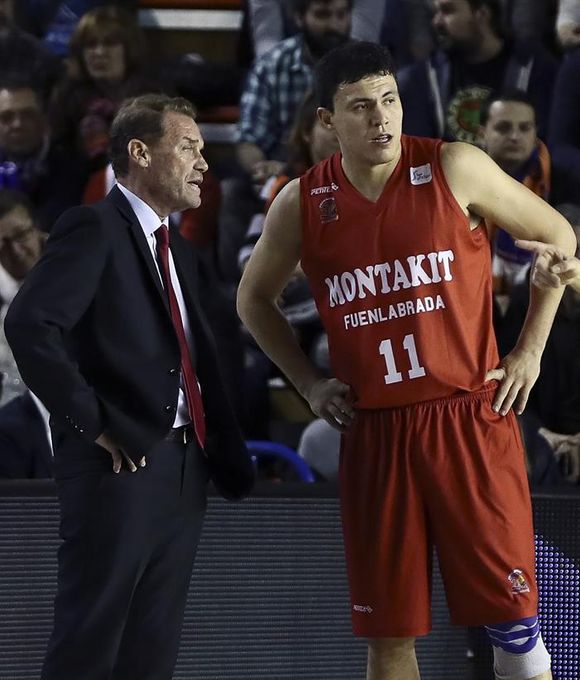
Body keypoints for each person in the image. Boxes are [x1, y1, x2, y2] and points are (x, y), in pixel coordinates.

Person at [237, 41, 576, 680]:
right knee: (389, 637)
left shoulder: (455, 165)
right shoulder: (301, 202)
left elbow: (558, 237)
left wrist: (529, 349)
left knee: (515, 626)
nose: (381, 118)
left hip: (467, 418)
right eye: (361, 107)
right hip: (376, 433)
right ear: (327, 120)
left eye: (389, 100)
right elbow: (252, 300)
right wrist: (308, 383)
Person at [5, 93, 254, 680]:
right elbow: (30, 325)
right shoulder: (93, 226)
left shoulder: (179, 250)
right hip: (118, 465)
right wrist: (93, 421)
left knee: (152, 651)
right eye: (189, 147)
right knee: (90, 645)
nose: (204, 163)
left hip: (183, 465)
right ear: (140, 152)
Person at [397, 0, 558, 144]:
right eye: (436, 12)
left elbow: (544, 144)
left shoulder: (534, 69)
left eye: (447, 11)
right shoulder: (423, 77)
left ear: (482, 13)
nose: (436, 21)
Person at [478, 90, 550, 293]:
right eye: (503, 128)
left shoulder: (563, 179)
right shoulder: (458, 175)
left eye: (525, 128)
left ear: (535, 134)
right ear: (482, 133)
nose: (515, 136)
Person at [0, 77, 88, 230]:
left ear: (43, 118)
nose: (17, 124)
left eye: (27, 114)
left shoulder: (75, 167)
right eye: (7, 117)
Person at [0, 189, 45, 405]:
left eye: (21, 235)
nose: (16, 251)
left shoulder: (81, 266)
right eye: (2, 244)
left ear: (37, 228)